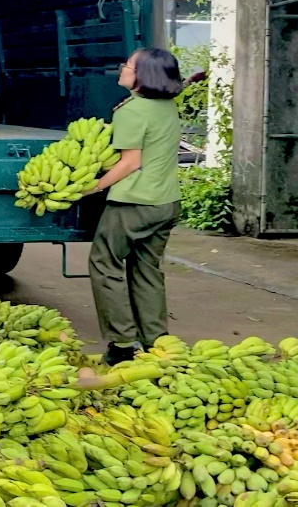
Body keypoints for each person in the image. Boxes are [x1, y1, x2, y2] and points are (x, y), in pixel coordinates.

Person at [86, 48, 184, 365]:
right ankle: (156, 341)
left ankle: (123, 343)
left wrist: (94, 186)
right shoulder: (167, 107)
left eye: (126, 64)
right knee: (147, 271)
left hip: (135, 203)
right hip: (167, 201)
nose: (121, 68)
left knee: (104, 262)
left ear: (142, 75)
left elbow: (130, 162)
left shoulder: (131, 111)